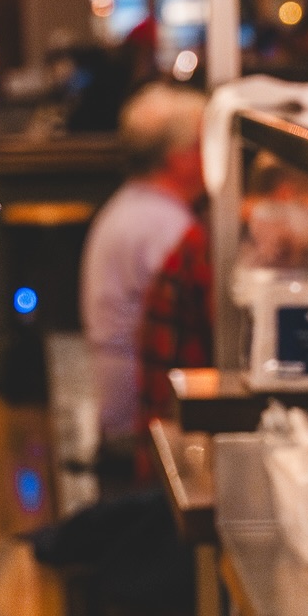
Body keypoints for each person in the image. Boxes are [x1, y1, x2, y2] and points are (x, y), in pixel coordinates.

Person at [79, 84, 207, 449]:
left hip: (118, 402)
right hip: (136, 419)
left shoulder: (135, 205)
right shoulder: (162, 226)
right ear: (179, 157)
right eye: (203, 145)